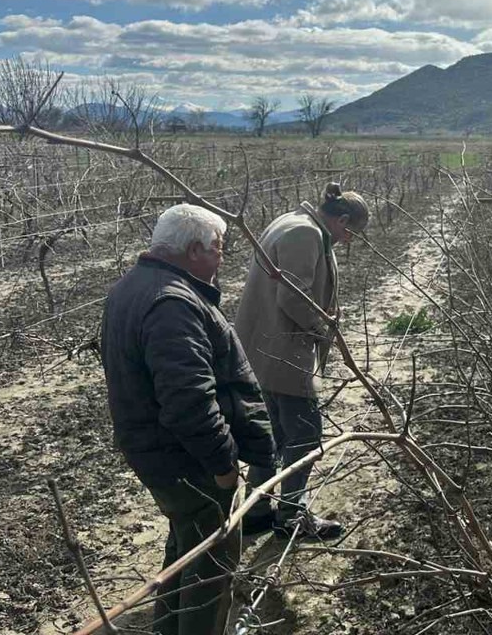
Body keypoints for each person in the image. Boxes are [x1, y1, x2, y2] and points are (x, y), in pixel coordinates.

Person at [101, 204, 276, 635]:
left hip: (156, 451)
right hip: (186, 460)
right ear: (194, 250)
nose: (222, 257)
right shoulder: (172, 304)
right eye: (218, 248)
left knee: (185, 546)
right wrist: (223, 465)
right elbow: (188, 400)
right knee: (211, 568)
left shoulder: (133, 286)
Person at [234, 183, 369, 539]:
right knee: (306, 436)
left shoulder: (292, 220)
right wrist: (324, 328)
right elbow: (294, 298)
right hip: (285, 354)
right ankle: (291, 517)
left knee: (274, 435)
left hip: (265, 350)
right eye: (351, 234)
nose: (348, 241)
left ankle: (257, 510)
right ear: (342, 219)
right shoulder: (305, 233)